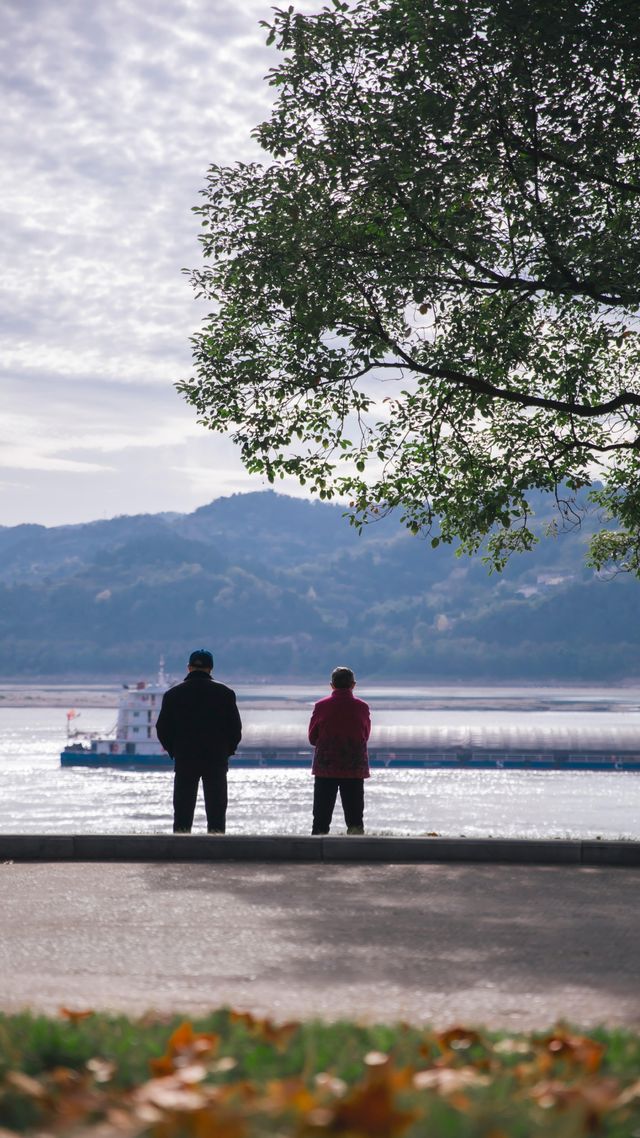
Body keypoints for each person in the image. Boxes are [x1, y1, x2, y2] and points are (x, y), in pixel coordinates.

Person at [156, 649, 242, 834]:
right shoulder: (225, 693)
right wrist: (226, 751)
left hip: (185, 758)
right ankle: (216, 848)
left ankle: (181, 848)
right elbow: (236, 730)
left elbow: (162, 729)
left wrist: (174, 750)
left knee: (183, 811)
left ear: (188, 668)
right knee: (216, 811)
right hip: (216, 759)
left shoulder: (172, 695)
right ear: (211, 669)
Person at [308, 666, 371, 835]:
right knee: (355, 818)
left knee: (321, 817)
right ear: (353, 685)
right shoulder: (362, 707)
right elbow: (365, 734)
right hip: (354, 768)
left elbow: (312, 738)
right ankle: (357, 852)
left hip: (325, 768)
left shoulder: (321, 706)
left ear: (332, 685)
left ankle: (316, 851)